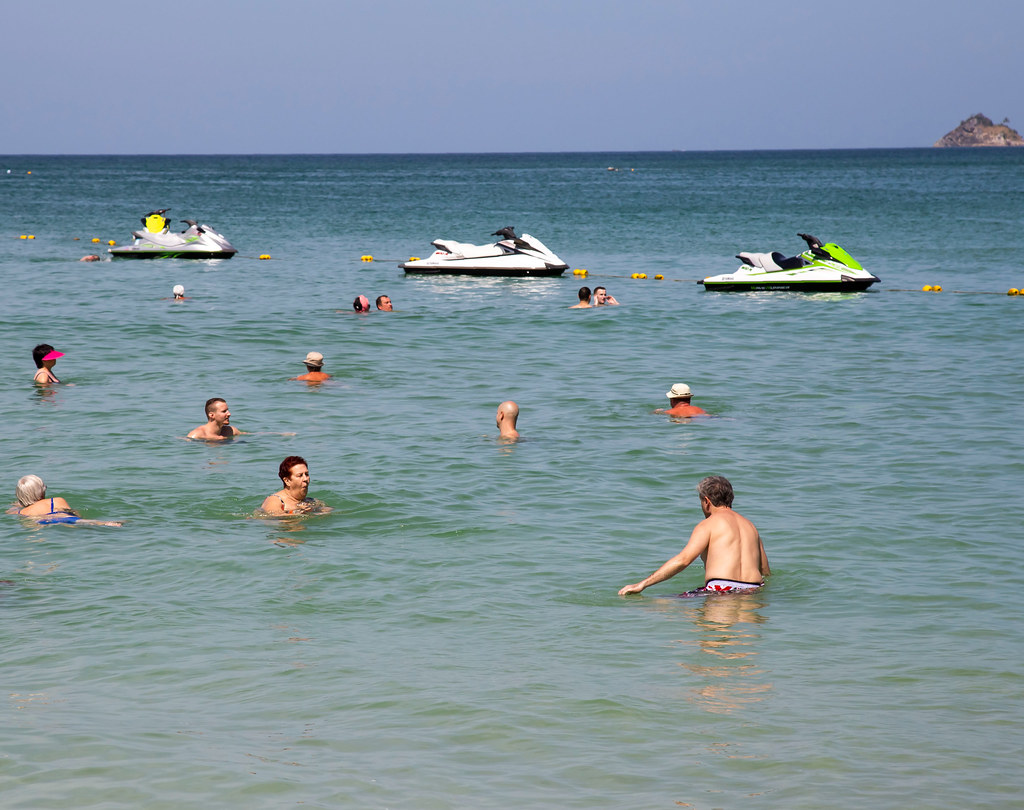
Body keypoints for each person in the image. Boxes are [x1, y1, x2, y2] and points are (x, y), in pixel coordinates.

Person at [618, 476, 769, 597]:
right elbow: (765, 570)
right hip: (753, 589)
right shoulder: (750, 526)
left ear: (707, 501)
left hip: (721, 589)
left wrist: (642, 584)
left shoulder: (708, 524)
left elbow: (683, 561)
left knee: (660, 605)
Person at [9, 474, 121, 526]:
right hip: (64, 518)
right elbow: (73, 513)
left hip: (42, 522)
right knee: (82, 522)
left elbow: (10, 511)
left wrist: (21, 503)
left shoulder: (19, 511)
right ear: (41, 492)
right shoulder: (55, 501)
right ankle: (108, 523)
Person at [261, 456, 329, 515]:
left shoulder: (310, 501)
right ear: (287, 481)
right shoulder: (275, 500)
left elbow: (328, 510)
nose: (305, 479)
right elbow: (272, 517)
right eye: (300, 475)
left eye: (307, 474)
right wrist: (298, 512)